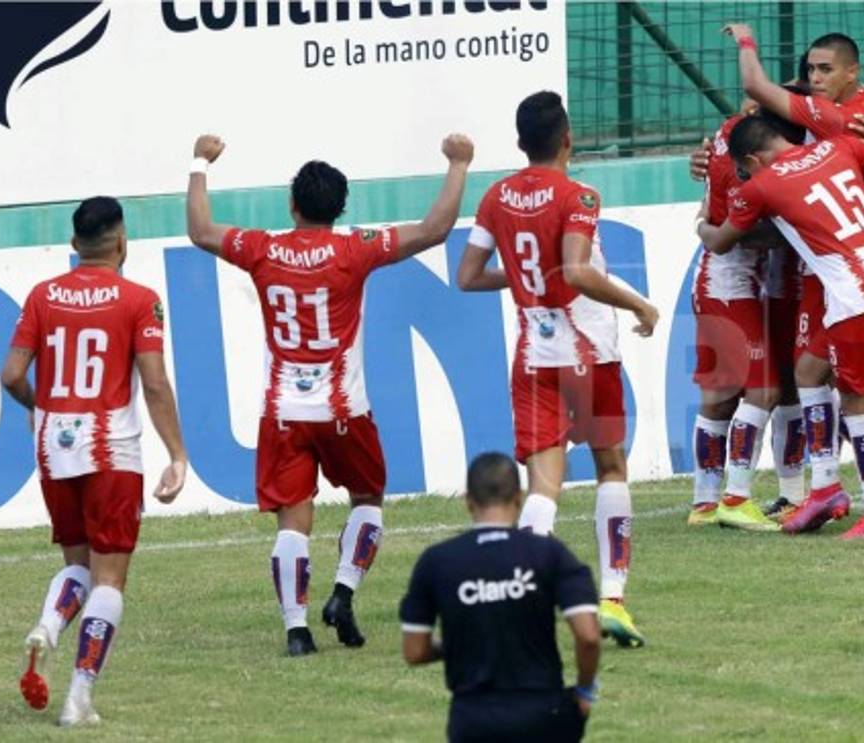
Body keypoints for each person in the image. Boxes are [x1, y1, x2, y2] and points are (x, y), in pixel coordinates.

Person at [185, 132, 475, 656]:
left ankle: (297, 631)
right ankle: (342, 592)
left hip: (284, 414)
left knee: (293, 522)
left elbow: (201, 230)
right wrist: (458, 164)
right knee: (368, 498)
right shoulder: (353, 249)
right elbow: (436, 230)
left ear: (292, 205)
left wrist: (201, 163)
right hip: (344, 410)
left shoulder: (262, 249)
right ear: (340, 209)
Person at [456, 90, 658, 647]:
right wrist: (637, 303)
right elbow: (575, 270)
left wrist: (522, 280)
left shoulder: (496, 196)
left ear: (521, 143)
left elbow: (468, 276)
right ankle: (613, 599)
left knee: (544, 485)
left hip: (536, 356)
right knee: (610, 468)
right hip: (589, 351)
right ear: (568, 139)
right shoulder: (580, 196)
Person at [720, 25, 864, 530]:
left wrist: (746, 42)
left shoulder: (836, 121)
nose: (813, 79)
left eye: (824, 70)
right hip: (862, 260)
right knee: (815, 372)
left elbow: (757, 87)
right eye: (810, 70)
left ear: (851, 72)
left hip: (844, 271)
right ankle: (829, 487)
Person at [1, 196, 188, 725]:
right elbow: (153, 383)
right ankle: (78, 697)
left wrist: (42, 406)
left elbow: (12, 375)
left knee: (77, 566)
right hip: (111, 450)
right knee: (109, 578)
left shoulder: (41, 296)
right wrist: (177, 453)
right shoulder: (139, 300)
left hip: (53, 446)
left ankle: (48, 623)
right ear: (122, 241)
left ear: (73, 245)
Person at [400, 452, 601, 742]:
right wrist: (584, 689)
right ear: (519, 499)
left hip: (473, 721)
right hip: (544, 714)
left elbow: (414, 651)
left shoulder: (437, 561)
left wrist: (464, 642)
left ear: (468, 501)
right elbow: (589, 636)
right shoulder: (550, 554)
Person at [686, 102, 810, 532]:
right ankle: (736, 497)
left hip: (733, 285)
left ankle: (704, 501)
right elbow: (730, 236)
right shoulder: (741, 173)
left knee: (723, 394)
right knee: (766, 390)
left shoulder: (730, 136)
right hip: (729, 286)